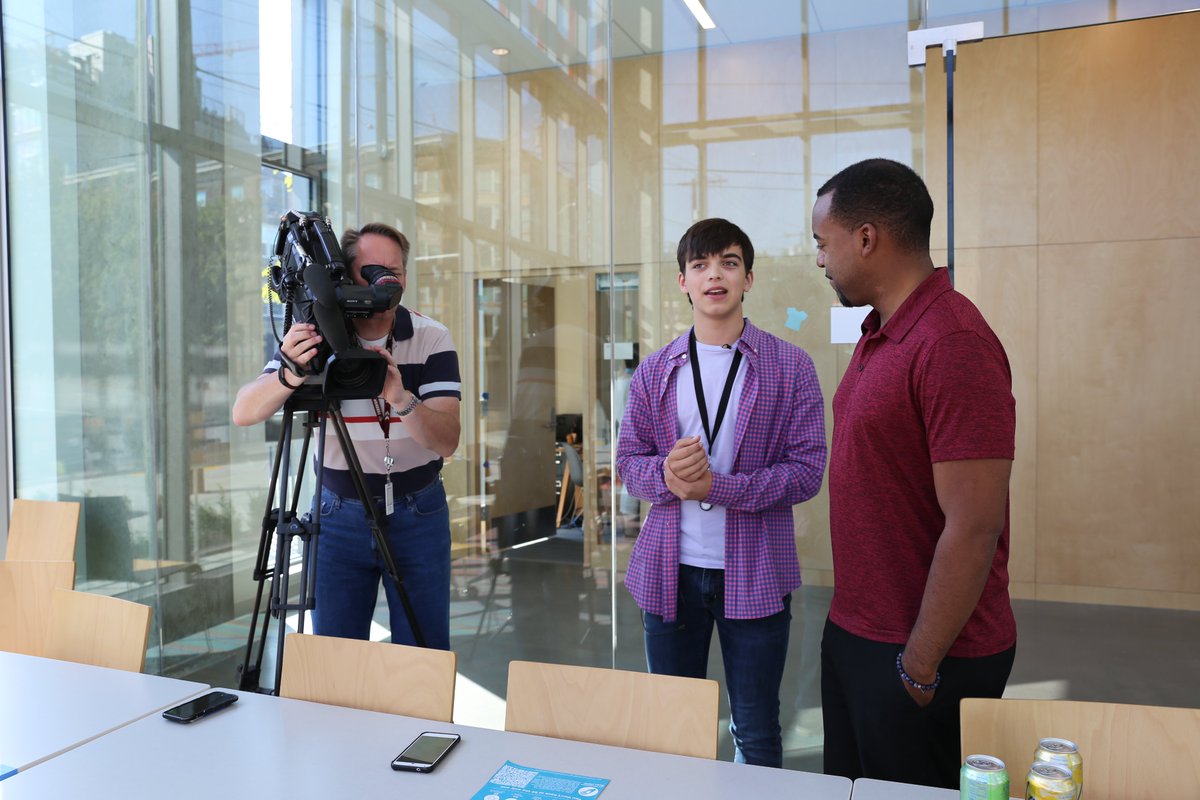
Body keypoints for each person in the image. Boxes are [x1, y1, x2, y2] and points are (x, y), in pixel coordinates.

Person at [813, 159, 1017, 788]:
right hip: (860, 632)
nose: (820, 260)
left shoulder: (952, 341)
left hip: (926, 654)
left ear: (867, 238)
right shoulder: (880, 332)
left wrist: (920, 665)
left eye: (824, 243)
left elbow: (975, 525)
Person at [616, 218, 827, 767]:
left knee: (755, 729)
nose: (715, 275)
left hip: (755, 568)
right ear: (683, 282)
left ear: (749, 278)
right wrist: (665, 474)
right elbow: (627, 464)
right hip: (669, 571)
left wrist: (719, 487)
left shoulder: (791, 367)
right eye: (701, 265)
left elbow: (807, 472)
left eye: (729, 263)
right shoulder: (654, 371)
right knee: (673, 731)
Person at [233, 221, 462, 650]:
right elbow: (244, 412)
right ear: (344, 275)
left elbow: (447, 440)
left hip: (419, 511)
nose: (385, 282)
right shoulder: (317, 335)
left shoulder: (431, 338)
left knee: (424, 654)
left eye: (395, 272)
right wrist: (290, 372)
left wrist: (401, 398)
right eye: (372, 271)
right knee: (336, 657)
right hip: (338, 514)